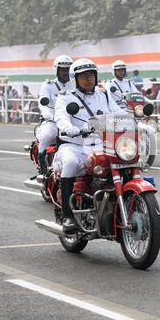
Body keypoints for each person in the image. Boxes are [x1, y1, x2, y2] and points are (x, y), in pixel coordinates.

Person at [53, 58, 122, 233]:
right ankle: (67, 215)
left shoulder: (104, 95)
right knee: (69, 163)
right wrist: (69, 129)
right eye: (83, 76)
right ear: (74, 78)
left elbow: (118, 112)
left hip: (102, 144)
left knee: (123, 160)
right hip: (75, 146)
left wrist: (134, 121)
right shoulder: (65, 98)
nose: (89, 79)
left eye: (91, 75)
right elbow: (61, 117)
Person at [37, 55, 73, 174]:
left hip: (71, 120)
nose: (66, 72)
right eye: (63, 70)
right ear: (57, 70)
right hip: (52, 120)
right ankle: (41, 157)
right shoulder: (48, 85)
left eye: (68, 69)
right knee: (48, 134)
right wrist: (49, 115)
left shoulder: (75, 84)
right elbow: (43, 103)